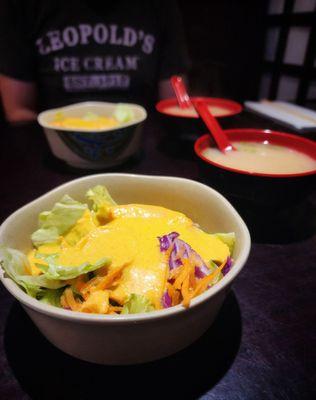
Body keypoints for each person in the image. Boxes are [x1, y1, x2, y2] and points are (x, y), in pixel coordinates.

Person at [0, 0, 189, 123]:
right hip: (52, 145)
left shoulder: (162, 6)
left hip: (143, 144)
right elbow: (18, 111)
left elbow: (176, 104)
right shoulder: (22, 6)